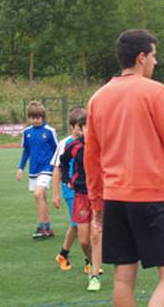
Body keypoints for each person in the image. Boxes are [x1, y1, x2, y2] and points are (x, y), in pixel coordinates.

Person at [84, 29, 164, 307]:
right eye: (154, 56)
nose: (156, 62)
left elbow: (91, 158)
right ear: (142, 57)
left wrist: (97, 204)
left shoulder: (97, 98)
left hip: (115, 199)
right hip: (152, 197)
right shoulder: (155, 92)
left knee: (123, 278)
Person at [56, 113, 103, 292]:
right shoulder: (74, 147)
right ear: (81, 129)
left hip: (99, 196)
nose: (90, 130)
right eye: (86, 126)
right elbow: (63, 162)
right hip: (81, 195)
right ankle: (93, 263)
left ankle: (95, 276)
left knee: (96, 235)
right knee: (83, 241)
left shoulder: (103, 146)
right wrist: (67, 179)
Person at [16, 101, 58, 239]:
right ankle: (48, 227)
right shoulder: (27, 132)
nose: (36, 120)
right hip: (34, 169)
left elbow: (57, 150)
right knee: (41, 198)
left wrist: (57, 167)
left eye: (38, 117)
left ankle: (41, 226)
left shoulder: (50, 131)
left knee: (37, 194)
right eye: (33, 118)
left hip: (47, 168)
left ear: (43, 117)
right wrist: (21, 168)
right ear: (29, 118)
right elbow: (26, 151)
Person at [51, 107, 85, 271]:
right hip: (70, 191)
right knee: (79, 224)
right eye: (80, 127)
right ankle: (89, 262)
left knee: (79, 225)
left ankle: (63, 254)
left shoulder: (87, 142)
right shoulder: (64, 144)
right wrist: (56, 194)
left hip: (85, 190)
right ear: (72, 127)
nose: (83, 130)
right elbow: (57, 168)